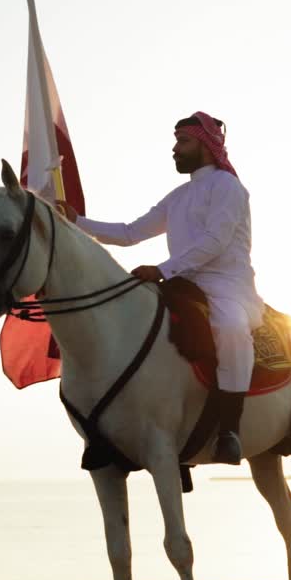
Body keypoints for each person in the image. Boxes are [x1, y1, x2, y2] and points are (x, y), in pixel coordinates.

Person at [57, 111, 262, 465]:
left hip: (228, 288)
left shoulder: (229, 188)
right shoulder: (178, 196)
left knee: (229, 327)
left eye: (183, 141)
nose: (175, 149)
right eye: (176, 141)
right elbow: (129, 232)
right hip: (185, 284)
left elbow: (215, 240)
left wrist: (163, 269)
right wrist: (76, 221)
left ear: (206, 145)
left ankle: (229, 430)